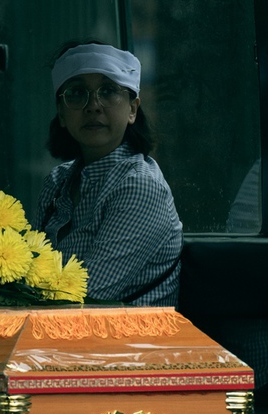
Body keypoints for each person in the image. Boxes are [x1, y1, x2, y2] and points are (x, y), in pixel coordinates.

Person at [35, 42, 182, 306]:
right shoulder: (57, 182)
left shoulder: (139, 185)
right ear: (62, 113)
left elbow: (84, 297)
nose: (93, 106)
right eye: (77, 93)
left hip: (120, 333)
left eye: (109, 91)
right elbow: (27, 267)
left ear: (132, 109)